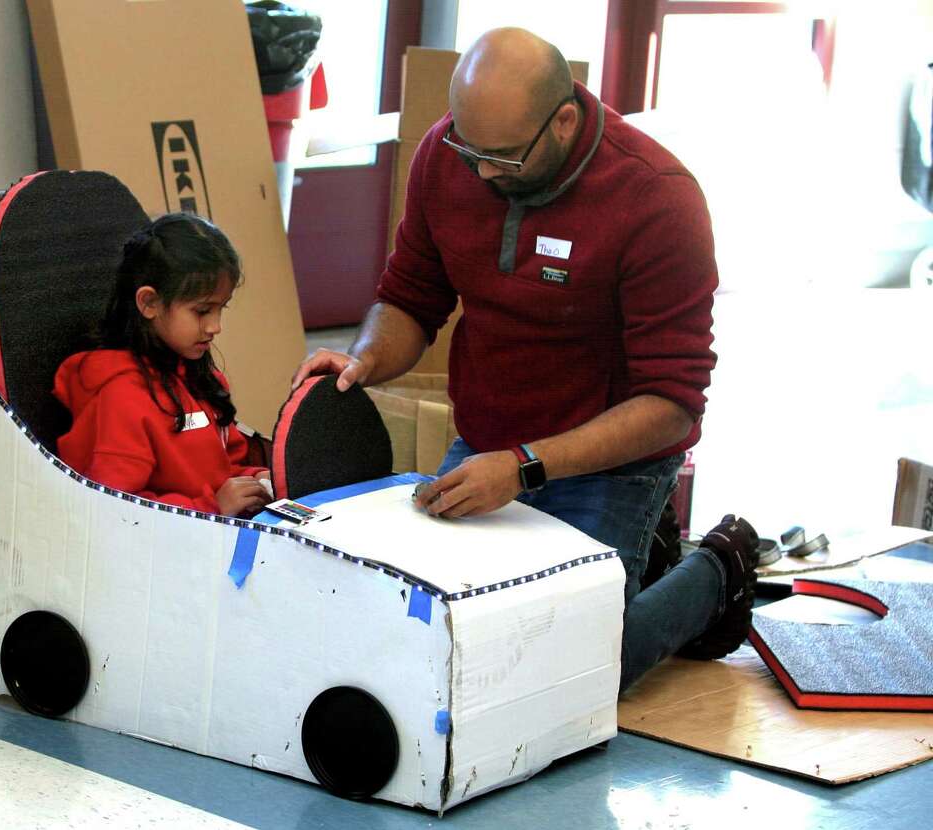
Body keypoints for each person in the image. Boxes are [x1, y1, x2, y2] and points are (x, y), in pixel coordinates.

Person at [292, 28, 760, 693]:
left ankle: (718, 568)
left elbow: (672, 404)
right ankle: (641, 560)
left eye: (503, 157)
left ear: (564, 122)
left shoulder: (657, 199)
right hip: (488, 443)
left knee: (572, 674)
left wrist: (525, 467)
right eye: (468, 147)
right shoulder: (447, 156)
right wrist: (363, 359)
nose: (481, 172)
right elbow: (410, 298)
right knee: (432, 638)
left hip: (610, 461)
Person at [54, 213, 271, 518]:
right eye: (202, 311)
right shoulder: (122, 398)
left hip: (212, 533)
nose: (215, 326)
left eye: (221, 308)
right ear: (149, 303)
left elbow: (224, 466)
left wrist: (256, 480)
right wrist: (210, 508)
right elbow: (115, 511)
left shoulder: (202, 379)